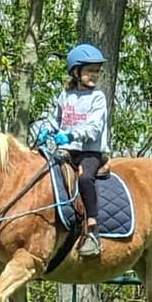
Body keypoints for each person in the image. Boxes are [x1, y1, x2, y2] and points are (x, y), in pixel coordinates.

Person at [46, 42, 110, 257]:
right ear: (76, 72)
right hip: (66, 150)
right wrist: (46, 131)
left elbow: (94, 128)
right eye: (90, 70)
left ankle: (92, 229)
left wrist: (72, 135)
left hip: (89, 151)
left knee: (84, 178)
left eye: (97, 71)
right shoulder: (65, 96)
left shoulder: (97, 98)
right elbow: (55, 120)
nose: (94, 75)